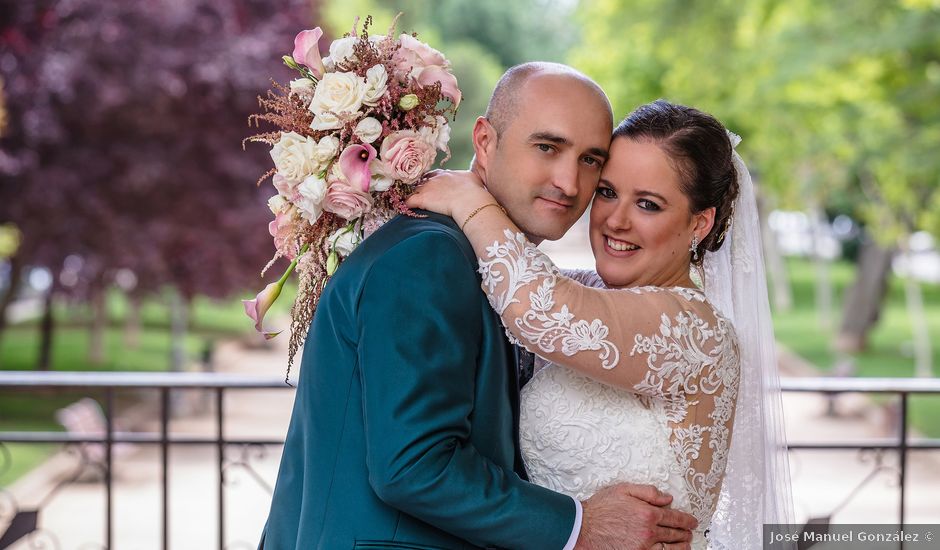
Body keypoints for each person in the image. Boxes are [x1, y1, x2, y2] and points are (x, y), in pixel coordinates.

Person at [258, 65, 700, 549]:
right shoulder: (429, 255)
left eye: (591, 160)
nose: (570, 182)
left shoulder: (497, 266)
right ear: (485, 142)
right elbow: (414, 463)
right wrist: (579, 527)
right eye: (547, 147)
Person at [407, 99, 795, 549]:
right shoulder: (593, 294)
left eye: (648, 204)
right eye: (608, 192)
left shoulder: (696, 330)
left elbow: (540, 310)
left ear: (699, 224)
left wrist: (469, 200)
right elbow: (508, 276)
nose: (616, 220)